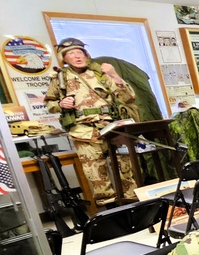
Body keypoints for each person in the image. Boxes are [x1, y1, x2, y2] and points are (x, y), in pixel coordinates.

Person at [45, 38, 139, 205]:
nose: (77, 56)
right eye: (71, 53)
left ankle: (133, 203)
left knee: (125, 168)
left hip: (112, 128)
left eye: (80, 52)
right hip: (84, 131)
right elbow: (49, 103)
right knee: (96, 174)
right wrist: (60, 104)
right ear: (64, 58)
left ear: (86, 54)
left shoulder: (100, 74)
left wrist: (114, 74)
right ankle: (109, 208)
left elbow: (129, 97)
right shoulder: (59, 79)